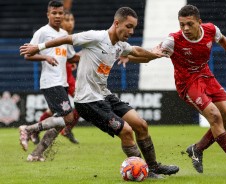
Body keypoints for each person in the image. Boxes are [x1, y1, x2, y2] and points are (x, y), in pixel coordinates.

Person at [20, 6, 179, 178]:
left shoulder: (119, 45)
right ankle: (143, 172)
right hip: (87, 101)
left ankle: (154, 167)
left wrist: (155, 54)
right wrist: (39, 47)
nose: (132, 31)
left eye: (134, 27)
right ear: (117, 23)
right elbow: (67, 38)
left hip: (104, 94)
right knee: (126, 131)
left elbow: (137, 51)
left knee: (141, 125)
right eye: (129, 26)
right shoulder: (95, 37)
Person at [121, 4, 226, 177]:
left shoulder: (210, 30)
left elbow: (222, 39)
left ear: (199, 22)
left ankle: (197, 148)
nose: (185, 28)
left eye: (189, 24)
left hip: (207, 77)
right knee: (216, 117)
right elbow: (150, 55)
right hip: (188, 84)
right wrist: (129, 56)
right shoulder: (173, 40)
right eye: (182, 25)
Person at [19, 0, 80, 161]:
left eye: (60, 13)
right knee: (68, 118)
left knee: (61, 122)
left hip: (63, 82)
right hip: (51, 82)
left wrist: (93, 55)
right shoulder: (42, 32)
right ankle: (28, 128)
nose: (58, 16)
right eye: (54, 13)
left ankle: (36, 154)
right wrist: (45, 56)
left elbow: (72, 57)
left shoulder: (65, 35)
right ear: (48, 14)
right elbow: (27, 54)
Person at [30, 11, 80, 145]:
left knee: (57, 111)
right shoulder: (48, 34)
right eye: (67, 19)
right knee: (80, 102)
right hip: (58, 79)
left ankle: (39, 132)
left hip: (65, 77)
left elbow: (69, 57)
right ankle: (63, 129)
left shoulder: (67, 37)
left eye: (72, 19)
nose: (70, 22)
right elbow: (32, 53)